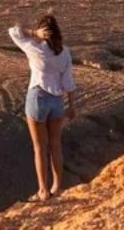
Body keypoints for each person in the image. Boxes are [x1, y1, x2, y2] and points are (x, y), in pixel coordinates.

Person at [8, 14, 78, 202]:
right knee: (55, 144)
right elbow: (68, 82)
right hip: (57, 100)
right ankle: (57, 186)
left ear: (43, 32)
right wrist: (71, 106)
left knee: (39, 147)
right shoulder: (64, 52)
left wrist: (33, 33)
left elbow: (13, 31)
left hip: (38, 97)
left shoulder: (34, 48)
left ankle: (43, 190)